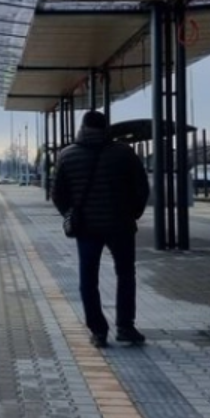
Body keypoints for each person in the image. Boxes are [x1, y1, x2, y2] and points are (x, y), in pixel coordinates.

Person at [52, 110, 149, 347]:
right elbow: (141, 188)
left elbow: (58, 194)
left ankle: (98, 331)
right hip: (121, 225)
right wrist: (132, 213)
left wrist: (70, 214)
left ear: (82, 128)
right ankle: (125, 326)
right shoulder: (124, 153)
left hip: (86, 228)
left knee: (88, 280)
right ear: (106, 128)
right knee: (125, 275)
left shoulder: (67, 155)